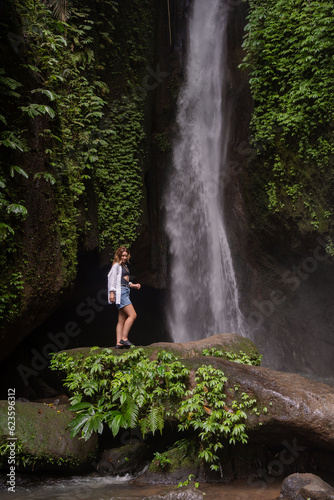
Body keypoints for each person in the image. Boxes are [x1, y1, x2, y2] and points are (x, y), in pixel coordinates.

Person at [108, 246, 141, 349]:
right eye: (122, 255)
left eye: (126, 256)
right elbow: (111, 279)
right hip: (121, 293)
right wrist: (111, 293)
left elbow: (123, 281)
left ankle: (119, 343)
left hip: (125, 291)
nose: (124, 257)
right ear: (119, 255)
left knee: (122, 319)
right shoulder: (116, 266)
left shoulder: (125, 266)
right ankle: (124, 338)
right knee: (133, 315)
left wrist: (133, 285)